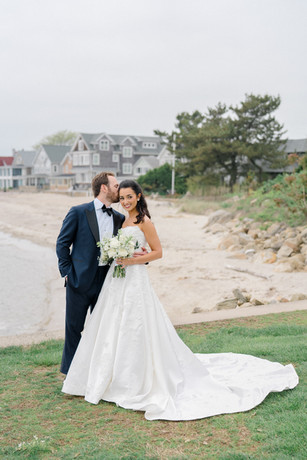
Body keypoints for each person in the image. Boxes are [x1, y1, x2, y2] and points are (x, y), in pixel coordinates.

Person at [62, 180, 299, 421]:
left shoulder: (145, 221)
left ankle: (135, 378)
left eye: (129, 197)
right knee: (112, 324)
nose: (125, 201)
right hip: (117, 280)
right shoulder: (120, 220)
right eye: (122, 197)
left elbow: (158, 252)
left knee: (137, 324)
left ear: (139, 196)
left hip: (135, 279)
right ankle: (107, 374)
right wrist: (118, 255)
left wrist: (133, 260)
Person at [56, 172, 125, 375]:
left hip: (106, 281)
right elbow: (62, 244)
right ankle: (71, 373)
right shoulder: (78, 212)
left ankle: (95, 371)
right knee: (74, 328)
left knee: (101, 329)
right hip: (79, 279)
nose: (118, 190)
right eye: (115, 185)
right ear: (104, 187)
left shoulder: (119, 218)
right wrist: (67, 272)